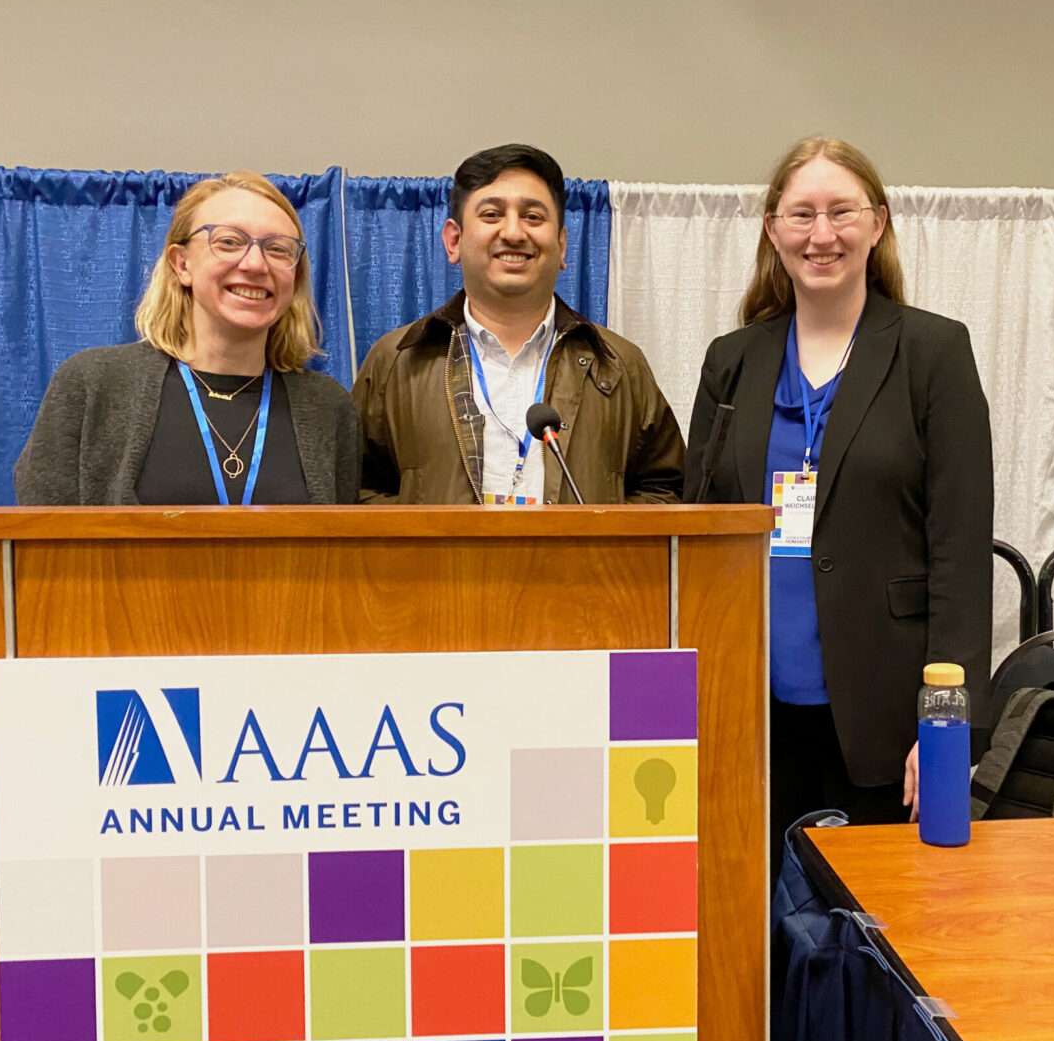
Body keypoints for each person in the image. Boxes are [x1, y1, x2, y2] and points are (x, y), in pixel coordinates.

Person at [685, 136, 993, 876]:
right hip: (753, 713)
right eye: (801, 215)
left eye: (842, 212)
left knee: (878, 936)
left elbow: (959, 549)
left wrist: (944, 727)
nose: (822, 235)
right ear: (772, 230)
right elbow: (699, 534)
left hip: (885, 720)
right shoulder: (733, 360)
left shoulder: (932, 352)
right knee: (760, 932)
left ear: (877, 223)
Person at [353, 144, 684, 504]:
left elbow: (666, 488)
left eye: (533, 217)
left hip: (581, 563)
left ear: (561, 244)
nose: (513, 232)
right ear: (454, 241)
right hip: (443, 563)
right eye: (492, 214)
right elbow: (356, 489)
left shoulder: (619, 364)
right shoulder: (396, 361)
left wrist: (604, 556)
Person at [14, 171, 360, 505]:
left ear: (295, 276)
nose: (255, 264)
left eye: (278, 249)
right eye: (229, 242)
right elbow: (41, 549)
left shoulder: (329, 409)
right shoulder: (92, 386)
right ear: (182, 264)